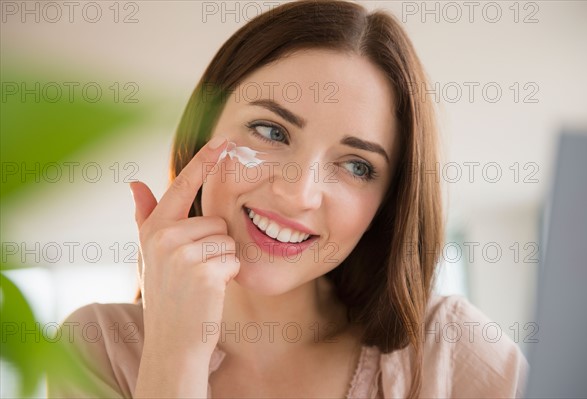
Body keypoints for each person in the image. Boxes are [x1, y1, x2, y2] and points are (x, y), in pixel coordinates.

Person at [48, 1, 528, 397]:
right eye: (270, 130)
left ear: (387, 202)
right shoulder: (100, 346)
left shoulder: (450, 348)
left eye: (357, 165)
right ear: (202, 131)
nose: (298, 193)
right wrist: (176, 356)